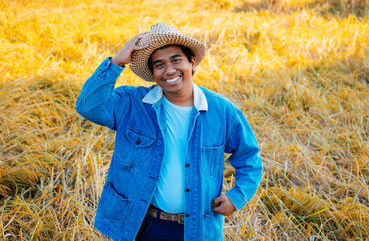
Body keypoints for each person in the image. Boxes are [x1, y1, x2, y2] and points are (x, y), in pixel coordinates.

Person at [76, 22, 263, 241]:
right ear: (154, 73)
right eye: (160, 65)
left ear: (192, 63)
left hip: (198, 229)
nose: (169, 70)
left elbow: (250, 158)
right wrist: (117, 61)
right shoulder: (133, 104)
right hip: (143, 225)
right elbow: (89, 106)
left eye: (176, 60)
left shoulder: (221, 111)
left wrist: (237, 197)